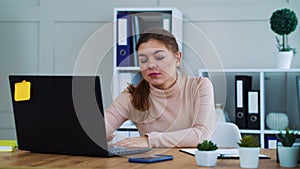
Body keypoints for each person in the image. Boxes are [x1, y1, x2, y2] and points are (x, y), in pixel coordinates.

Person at [105, 28, 216, 148]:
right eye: (143, 60)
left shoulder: (199, 86)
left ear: (177, 58)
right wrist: (96, 134)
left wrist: (149, 141)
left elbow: (201, 135)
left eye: (159, 57)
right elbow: (99, 128)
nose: (151, 65)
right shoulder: (131, 96)